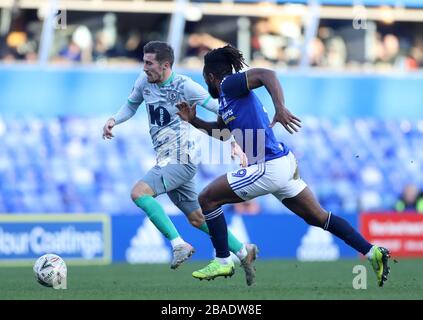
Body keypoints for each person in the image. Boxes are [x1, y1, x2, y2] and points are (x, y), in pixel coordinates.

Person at [176, 44, 391, 287]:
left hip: (268, 166)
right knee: (319, 217)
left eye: (205, 79)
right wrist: (193, 120)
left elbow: (268, 75)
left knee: (207, 199)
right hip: (282, 164)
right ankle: (372, 252)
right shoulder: (227, 100)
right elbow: (222, 133)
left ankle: (223, 259)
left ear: (210, 77)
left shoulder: (228, 84)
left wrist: (280, 108)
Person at [102, 41, 258, 286]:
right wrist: (114, 119)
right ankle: (242, 251)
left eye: (149, 63)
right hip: (167, 159)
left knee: (139, 193)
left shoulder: (184, 85)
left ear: (165, 66)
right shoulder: (144, 82)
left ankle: (178, 244)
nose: (144, 68)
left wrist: (233, 139)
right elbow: (131, 105)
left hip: (180, 159)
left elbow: (219, 106)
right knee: (197, 218)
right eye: (144, 62)